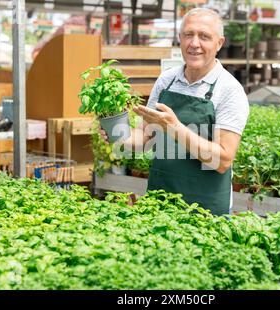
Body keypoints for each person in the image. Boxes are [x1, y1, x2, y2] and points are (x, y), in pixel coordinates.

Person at [103, 8, 249, 215]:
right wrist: (116, 135)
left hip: (204, 209)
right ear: (180, 38)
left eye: (204, 37)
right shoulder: (166, 80)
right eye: (188, 35)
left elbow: (223, 161)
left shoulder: (229, 90)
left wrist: (174, 128)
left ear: (219, 43)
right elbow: (146, 137)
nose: (194, 43)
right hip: (160, 201)